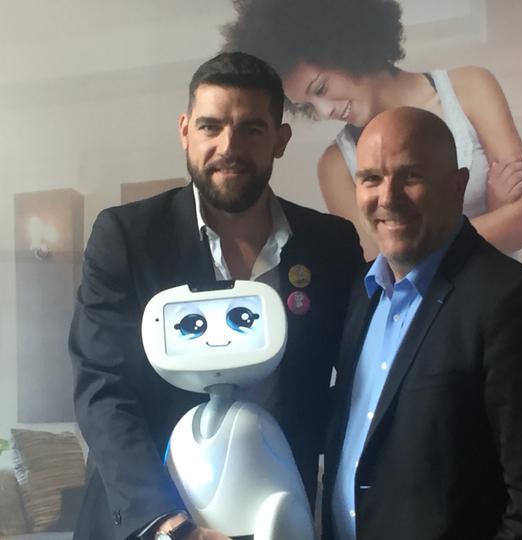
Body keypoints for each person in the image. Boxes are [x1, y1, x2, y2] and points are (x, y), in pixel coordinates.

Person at [69, 52, 364, 540]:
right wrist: (169, 525)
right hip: (154, 521)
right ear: (185, 131)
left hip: (278, 515)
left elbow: (355, 385)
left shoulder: (330, 245)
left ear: (280, 139)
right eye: (211, 127)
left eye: (251, 129)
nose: (229, 147)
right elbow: (102, 389)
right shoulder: (126, 238)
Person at [322, 107, 522, 539]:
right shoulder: (361, 294)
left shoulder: (516, 303)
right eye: (371, 178)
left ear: (458, 185)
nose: (387, 198)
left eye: (410, 176)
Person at [222, 0, 522, 259]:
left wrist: (412, 246)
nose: (324, 111)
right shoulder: (336, 166)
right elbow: (383, 268)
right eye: (307, 105)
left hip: (505, 302)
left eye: (320, 88)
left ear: (348, 48)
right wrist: (497, 212)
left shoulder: (470, 88)